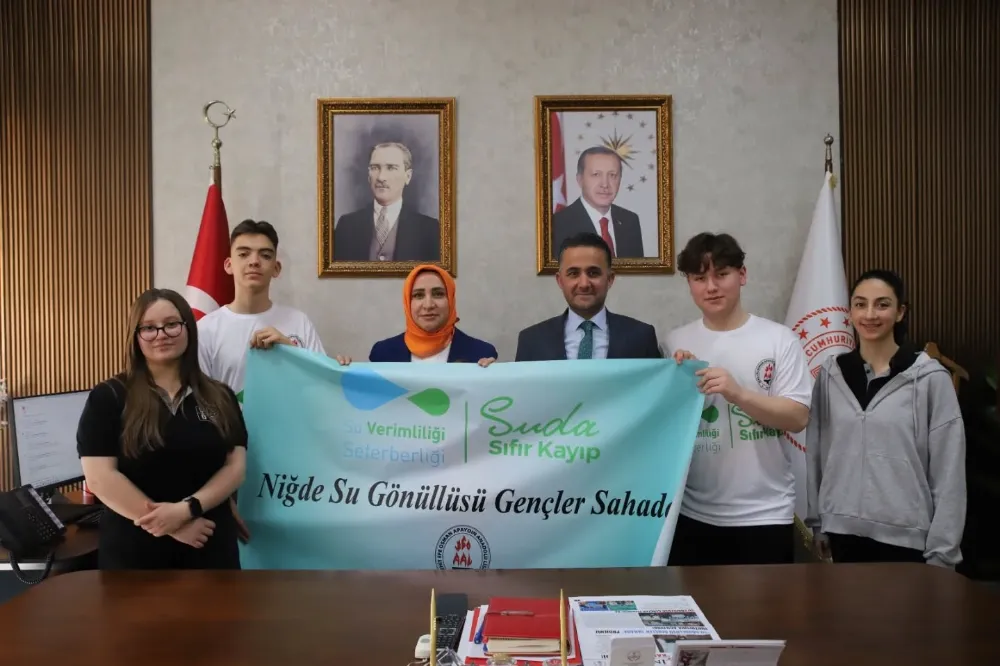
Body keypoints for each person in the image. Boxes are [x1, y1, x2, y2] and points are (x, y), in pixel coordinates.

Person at [663, 232, 812, 566]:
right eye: (699, 278)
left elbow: (797, 417)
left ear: (742, 275)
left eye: (722, 274)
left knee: (764, 603)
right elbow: (666, 427)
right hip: (692, 513)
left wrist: (738, 393)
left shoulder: (779, 340)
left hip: (765, 513)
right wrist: (679, 382)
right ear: (689, 284)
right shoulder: (674, 343)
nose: (711, 287)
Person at [76, 288, 247, 570]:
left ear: (187, 328)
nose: (161, 334)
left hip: (209, 544)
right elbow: (100, 477)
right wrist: (172, 526)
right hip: (135, 554)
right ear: (135, 336)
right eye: (149, 328)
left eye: (171, 324)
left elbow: (235, 467)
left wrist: (187, 510)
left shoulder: (220, 396)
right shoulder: (109, 396)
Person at [806, 270, 966, 567]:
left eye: (882, 304)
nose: (870, 314)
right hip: (841, 534)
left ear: (900, 312)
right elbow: (817, 451)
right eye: (860, 304)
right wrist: (817, 522)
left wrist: (944, 551)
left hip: (907, 540)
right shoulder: (830, 375)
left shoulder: (931, 378)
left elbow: (949, 471)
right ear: (850, 312)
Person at [197, 219, 325, 541]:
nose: (254, 261)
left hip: (288, 462)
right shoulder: (206, 330)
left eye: (265, 255)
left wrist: (291, 350)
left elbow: (322, 392)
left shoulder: (298, 322)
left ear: (276, 268)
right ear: (228, 264)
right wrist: (218, 488)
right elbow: (199, 412)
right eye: (244, 253)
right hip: (227, 465)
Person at [515, 232, 660, 361]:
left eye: (593, 273)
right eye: (573, 273)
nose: (584, 284)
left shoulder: (642, 336)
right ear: (560, 280)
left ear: (610, 279)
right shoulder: (531, 340)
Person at [334, 264, 497, 366]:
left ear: (451, 300)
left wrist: (493, 378)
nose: (428, 305)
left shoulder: (480, 353)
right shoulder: (383, 353)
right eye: (418, 295)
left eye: (438, 294)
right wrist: (342, 374)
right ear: (407, 303)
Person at [333, 141, 440, 262]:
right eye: (375, 168)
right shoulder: (347, 226)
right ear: (368, 175)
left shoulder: (429, 229)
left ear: (408, 176)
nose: (381, 177)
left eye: (391, 168)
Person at [551, 146, 644, 259]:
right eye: (596, 174)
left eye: (612, 175)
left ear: (620, 179)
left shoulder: (630, 221)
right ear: (580, 179)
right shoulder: (557, 225)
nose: (605, 184)